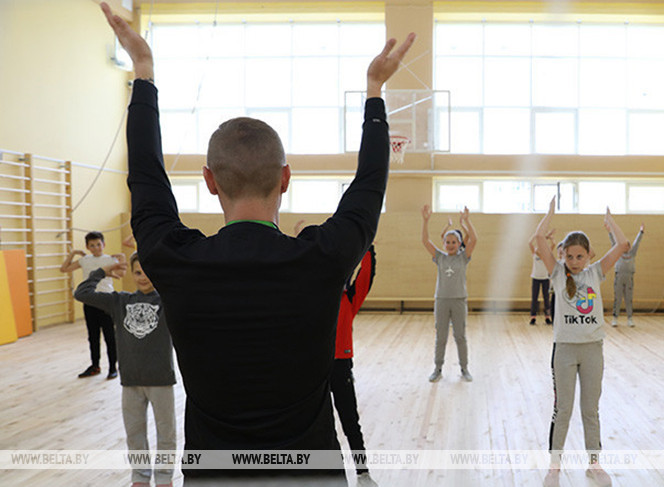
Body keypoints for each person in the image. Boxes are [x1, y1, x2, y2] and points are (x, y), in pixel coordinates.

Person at [101, 2, 415, 482]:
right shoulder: (321, 258)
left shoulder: (176, 260)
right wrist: (375, 93)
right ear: (285, 178)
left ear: (209, 180)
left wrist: (143, 73)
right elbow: (369, 188)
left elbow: (145, 178)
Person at [534, 200, 629, 487]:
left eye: (580, 256)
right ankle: (554, 465)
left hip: (592, 350)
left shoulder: (595, 272)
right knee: (563, 409)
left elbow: (623, 244)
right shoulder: (557, 273)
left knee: (591, 409)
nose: (575, 261)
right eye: (570, 256)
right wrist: (550, 214)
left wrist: (610, 221)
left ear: (588, 256)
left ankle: (594, 463)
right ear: (563, 255)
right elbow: (539, 239)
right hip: (564, 350)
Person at [74, 253, 176, 487]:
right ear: (131, 273)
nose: (143, 277)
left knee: (166, 434)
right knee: (135, 435)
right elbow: (81, 293)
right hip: (130, 381)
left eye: (148, 272)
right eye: (138, 272)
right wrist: (102, 272)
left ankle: (164, 478)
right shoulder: (120, 301)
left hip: (160, 380)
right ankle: (140, 477)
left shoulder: (168, 302)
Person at [331, 245, 378, 487]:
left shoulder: (350, 299)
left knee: (350, 422)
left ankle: (362, 472)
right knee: (320, 425)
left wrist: (366, 246)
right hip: (315, 368)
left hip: (341, 368)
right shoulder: (315, 299)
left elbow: (367, 273)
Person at [421, 205, 477, 383]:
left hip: (459, 300)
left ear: (459, 244)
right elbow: (425, 241)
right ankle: (437, 368)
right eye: (448, 242)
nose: (451, 245)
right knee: (441, 337)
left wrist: (467, 221)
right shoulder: (440, 257)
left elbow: (474, 239)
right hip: (442, 300)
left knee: (460, 336)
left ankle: (464, 368)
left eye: (454, 242)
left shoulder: (463, 257)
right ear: (444, 243)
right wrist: (425, 221)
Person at [60, 230, 124, 379]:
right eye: (92, 245)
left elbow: (120, 275)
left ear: (103, 244)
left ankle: (113, 368)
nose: (96, 248)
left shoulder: (110, 260)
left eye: (98, 244)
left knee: (110, 336)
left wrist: (120, 259)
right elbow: (64, 269)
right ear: (87, 247)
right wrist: (74, 253)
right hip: (90, 302)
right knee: (93, 337)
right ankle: (95, 366)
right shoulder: (85, 260)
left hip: (106, 301)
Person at [609, 224, 644, 327]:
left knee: (628, 298)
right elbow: (613, 242)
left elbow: (637, 242)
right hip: (619, 276)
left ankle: (630, 318)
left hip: (629, 277)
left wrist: (641, 232)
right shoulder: (618, 253)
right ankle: (615, 318)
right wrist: (610, 232)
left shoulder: (632, 253)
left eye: (628, 245)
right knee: (618, 298)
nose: (627, 247)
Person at [528, 229, 555, 325]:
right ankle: (533, 317)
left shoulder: (546, 254)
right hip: (535, 277)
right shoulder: (534, 253)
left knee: (546, 298)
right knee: (534, 298)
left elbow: (554, 244)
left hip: (545, 278)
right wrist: (536, 235)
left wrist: (549, 238)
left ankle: (547, 317)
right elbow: (529, 242)